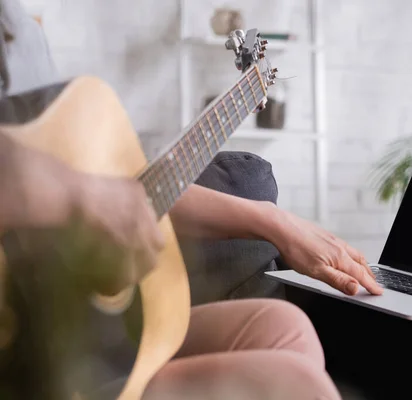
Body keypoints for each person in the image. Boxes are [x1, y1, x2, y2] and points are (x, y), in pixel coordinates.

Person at [0, 0, 382, 398]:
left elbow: (115, 190)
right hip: (29, 361)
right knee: (297, 384)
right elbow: (83, 192)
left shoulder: (24, 33)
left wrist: (275, 222)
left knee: (285, 327)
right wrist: (79, 195)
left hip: (77, 330)